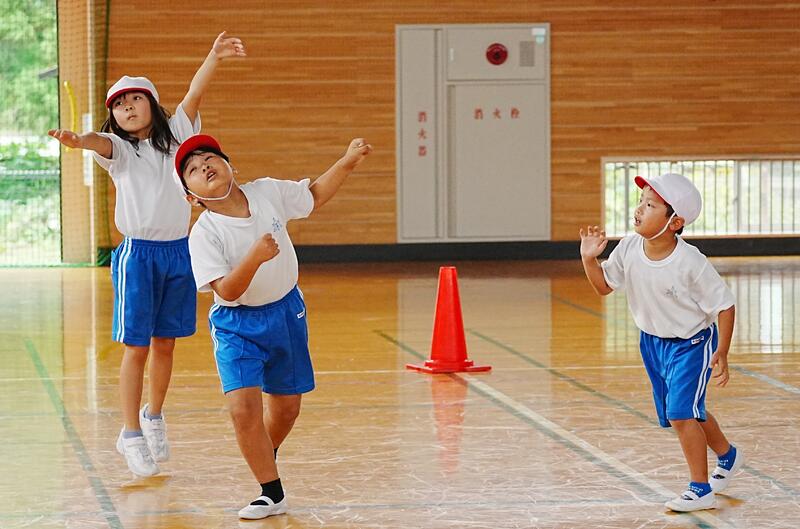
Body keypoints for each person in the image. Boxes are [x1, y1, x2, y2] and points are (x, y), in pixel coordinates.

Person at [48, 32, 246, 477]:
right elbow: (97, 141)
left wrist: (213, 56)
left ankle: (153, 416)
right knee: (136, 346)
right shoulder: (120, 149)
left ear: (153, 104)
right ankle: (130, 433)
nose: (128, 108)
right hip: (138, 256)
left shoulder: (177, 135)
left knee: (165, 343)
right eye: (119, 105)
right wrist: (79, 140)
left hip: (179, 252)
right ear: (114, 117)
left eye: (135, 99)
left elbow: (194, 93)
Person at [175, 133, 371, 519]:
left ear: (231, 166)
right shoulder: (204, 234)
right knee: (243, 409)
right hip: (237, 325)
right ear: (192, 197)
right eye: (193, 169)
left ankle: (264, 452)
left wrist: (346, 161)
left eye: (209, 158)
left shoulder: (266, 192)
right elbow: (227, 290)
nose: (204, 166)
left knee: (286, 410)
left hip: (285, 313)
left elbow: (313, 195)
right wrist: (255, 257)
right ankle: (271, 492)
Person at [579, 172, 743, 512]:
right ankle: (727, 455)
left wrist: (722, 351)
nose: (639, 209)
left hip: (692, 344)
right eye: (641, 201)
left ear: (675, 222)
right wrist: (588, 259)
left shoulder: (690, 262)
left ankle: (700, 489)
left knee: (681, 414)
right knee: (688, 412)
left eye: (651, 205)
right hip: (652, 344)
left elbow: (725, 305)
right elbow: (604, 286)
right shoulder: (629, 247)